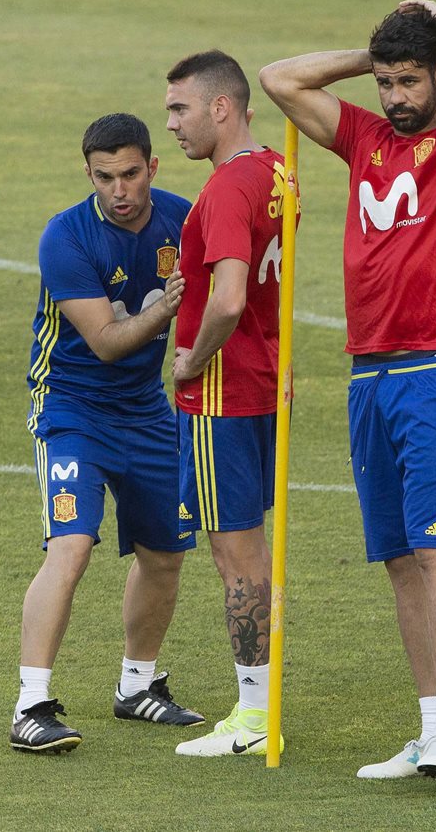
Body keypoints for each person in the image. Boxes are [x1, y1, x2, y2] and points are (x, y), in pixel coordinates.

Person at [260, 0, 436, 783]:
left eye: (409, 81)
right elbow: (279, 79)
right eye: (386, 84)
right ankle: (427, 731)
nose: (395, 98)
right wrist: (372, 54)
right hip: (368, 371)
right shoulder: (364, 137)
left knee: (435, 547)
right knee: (398, 558)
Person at [13, 113, 204, 753]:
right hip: (71, 409)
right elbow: (105, 344)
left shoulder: (182, 218)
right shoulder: (66, 237)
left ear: (152, 166)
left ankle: (137, 687)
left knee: (165, 551)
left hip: (148, 412)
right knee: (70, 546)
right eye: (104, 177)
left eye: (129, 174)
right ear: (88, 173)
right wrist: (166, 309)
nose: (118, 189)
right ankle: (31, 705)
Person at [163, 51, 293, 758]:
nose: (173, 125)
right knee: (253, 551)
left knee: (236, 553)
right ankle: (259, 704)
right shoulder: (278, 171)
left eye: (180, 109)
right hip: (271, 381)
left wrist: (193, 357)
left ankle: (251, 717)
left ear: (221, 107)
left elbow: (232, 295)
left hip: (222, 394)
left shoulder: (222, 191)